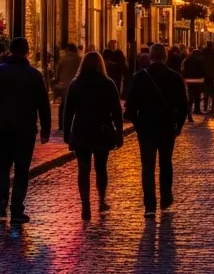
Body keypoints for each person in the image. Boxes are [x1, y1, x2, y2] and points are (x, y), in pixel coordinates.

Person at [0, 37, 52, 224]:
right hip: (25, 130)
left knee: (3, 165)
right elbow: (43, 106)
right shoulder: (34, 75)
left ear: (10, 51)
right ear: (27, 52)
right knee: (21, 169)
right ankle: (16, 208)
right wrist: (46, 130)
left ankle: (2, 201)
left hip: (3, 128)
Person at [125, 43, 188, 217]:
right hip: (167, 127)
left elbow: (130, 108)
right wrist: (178, 125)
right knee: (165, 163)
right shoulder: (175, 77)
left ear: (150, 57)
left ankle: (149, 206)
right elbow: (183, 105)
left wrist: (139, 125)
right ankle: (166, 198)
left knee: (147, 166)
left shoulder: (139, 78)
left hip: (146, 129)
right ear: (165, 57)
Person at [62, 50, 124, 221]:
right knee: (101, 168)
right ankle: (101, 199)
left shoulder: (76, 84)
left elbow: (68, 112)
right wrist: (119, 134)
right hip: (101, 130)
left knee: (83, 170)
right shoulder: (108, 83)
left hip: (81, 130)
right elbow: (117, 112)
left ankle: (85, 205)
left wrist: (67, 134)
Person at [54, 43, 81, 132]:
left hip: (65, 85)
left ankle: (62, 125)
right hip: (76, 84)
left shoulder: (63, 60)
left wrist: (57, 81)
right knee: (76, 105)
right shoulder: (79, 59)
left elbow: (58, 72)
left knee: (63, 106)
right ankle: (75, 123)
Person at [180, 48, 204, 123]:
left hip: (189, 81)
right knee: (197, 96)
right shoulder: (200, 60)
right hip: (198, 80)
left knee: (190, 99)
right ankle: (196, 110)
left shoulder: (187, 60)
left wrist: (184, 78)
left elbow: (183, 70)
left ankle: (190, 114)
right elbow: (203, 70)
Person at [201, 44, 214, 116]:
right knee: (213, 93)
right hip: (213, 77)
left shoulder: (203, 58)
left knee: (206, 92)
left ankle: (205, 106)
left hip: (206, 77)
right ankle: (212, 107)